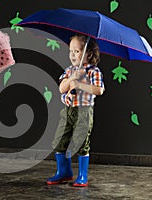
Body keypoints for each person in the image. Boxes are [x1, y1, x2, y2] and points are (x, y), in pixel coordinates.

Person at [46, 34, 105, 187]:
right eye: (70, 51)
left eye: (77, 51)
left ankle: (82, 175)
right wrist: (72, 78)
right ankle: (64, 172)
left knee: (81, 142)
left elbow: (99, 90)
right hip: (67, 111)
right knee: (59, 140)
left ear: (88, 54)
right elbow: (61, 88)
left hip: (84, 112)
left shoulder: (94, 71)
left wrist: (80, 85)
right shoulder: (70, 70)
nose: (72, 55)